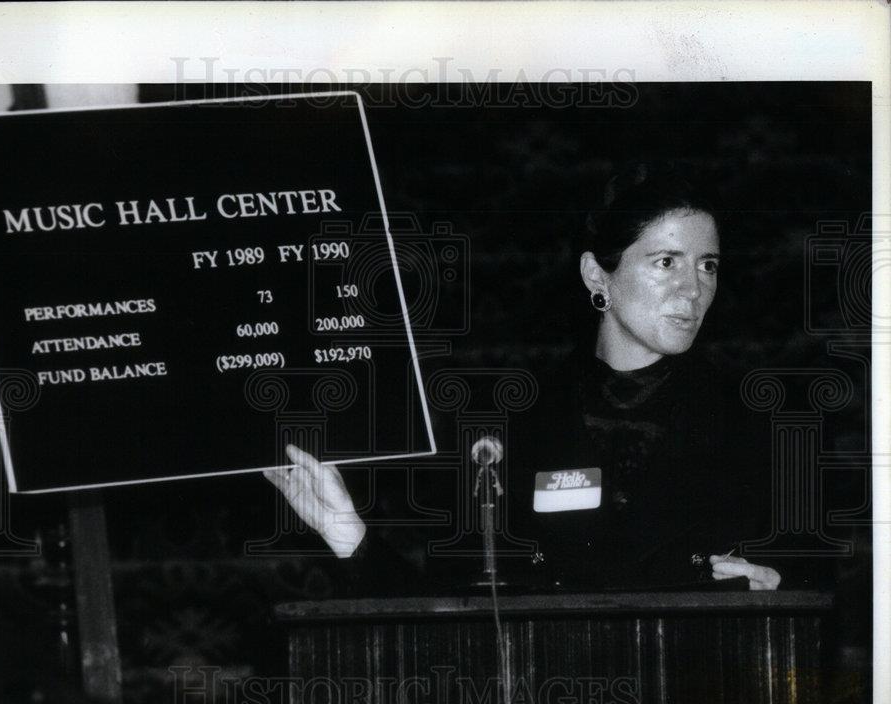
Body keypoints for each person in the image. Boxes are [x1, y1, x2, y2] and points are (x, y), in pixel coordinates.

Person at [264, 164, 783, 592]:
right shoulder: (500, 434)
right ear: (596, 276)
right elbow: (450, 620)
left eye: (708, 265)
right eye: (666, 262)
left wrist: (781, 590)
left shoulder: (757, 424)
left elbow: (823, 604)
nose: (693, 289)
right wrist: (349, 536)